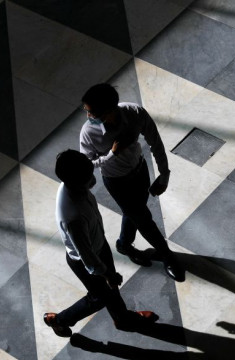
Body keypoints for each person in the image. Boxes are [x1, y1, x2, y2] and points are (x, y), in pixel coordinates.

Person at [43, 150, 157, 337]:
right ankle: (60, 320)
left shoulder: (72, 184)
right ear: (74, 182)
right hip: (86, 261)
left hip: (98, 245)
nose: (93, 181)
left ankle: (122, 319)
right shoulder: (73, 217)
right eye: (88, 178)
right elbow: (87, 258)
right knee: (99, 297)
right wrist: (108, 274)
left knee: (110, 292)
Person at [79, 83, 184, 281]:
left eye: (91, 112)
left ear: (108, 110)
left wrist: (164, 174)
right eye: (86, 111)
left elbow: (155, 142)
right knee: (143, 219)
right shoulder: (88, 133)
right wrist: (112, 154)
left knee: (134, 212)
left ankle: (124, 244)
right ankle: (168, 256)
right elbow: (89, 164)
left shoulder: (135, 113)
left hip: (140, 170)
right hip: (116, 182)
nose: (87, 117)